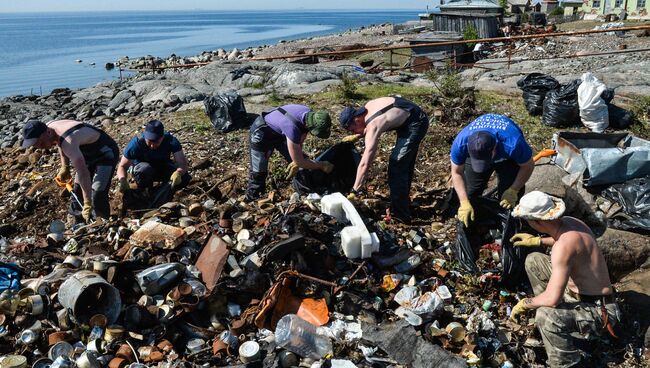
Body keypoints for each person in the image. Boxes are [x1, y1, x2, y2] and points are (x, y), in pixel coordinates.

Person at [509, 191, 620, 368]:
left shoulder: (563, 247)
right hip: (584, 294)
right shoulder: (572, 223)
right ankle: (560, 323)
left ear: (537, 222)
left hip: (600, 311)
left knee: (546, 315)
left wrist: (525, 303)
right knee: (534, 261)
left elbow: (552, 298)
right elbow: (568, 242)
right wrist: (537, 241)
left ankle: (566, 363)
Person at [339, 96, 429, 223]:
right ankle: (403, 201)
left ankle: (401, 216)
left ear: (357, 120)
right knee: (404, 162)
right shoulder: (367, 107)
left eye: (352, 130)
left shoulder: (374, 125)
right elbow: (371, 123)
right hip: (407, 115)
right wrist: (358, 135)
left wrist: (355, 190)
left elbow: (365, 163)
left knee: (397, 166)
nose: (354, 132)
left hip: (416, 123)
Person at [21, 119, 119, 222]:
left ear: (48, 132)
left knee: (97, 192)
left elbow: (83, 173)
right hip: (86, 153)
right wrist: (65, 167)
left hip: (105, 153)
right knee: (77, 189)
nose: (40, 147)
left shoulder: (69, 141)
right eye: (36, 145)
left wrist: (87, 203)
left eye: (41, 143)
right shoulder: (49, 127)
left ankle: (101, 221)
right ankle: (78, 221)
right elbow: (59, 142)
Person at [450, 114, 534, 228]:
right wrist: (464, 202)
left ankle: (508, 225)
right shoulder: (461, 143)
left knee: (507, 197)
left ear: (495, 148)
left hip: (507, 157)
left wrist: (514, 190)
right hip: (482, 150)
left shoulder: (513, 143)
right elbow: (456, 172)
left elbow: (528, 166)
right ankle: (473, 223)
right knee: (471, 191)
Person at [247, 104, 333, 200]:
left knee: (302, 164)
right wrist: (321, 165)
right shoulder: (292, 128)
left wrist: (298, 159)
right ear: (310, 125)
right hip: (261, 133)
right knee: (259, 171)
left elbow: (301, 136)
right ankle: (253, 199)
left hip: (280, 133)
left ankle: (304, 191)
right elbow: (300, 161)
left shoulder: (310, 115)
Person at [116, 120, 190, 198]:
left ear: (162, 137)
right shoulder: (136, 143)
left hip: (162, 167)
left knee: (184, 178)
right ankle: (145, 189)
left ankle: (166, 189)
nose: (152, 145)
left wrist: (179, 172)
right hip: (143, 171)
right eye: (150, 141)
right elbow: (122, 166)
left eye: (156, 142)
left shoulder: (170, 140)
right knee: (145, 169)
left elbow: (182, 162)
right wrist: (123, 180)